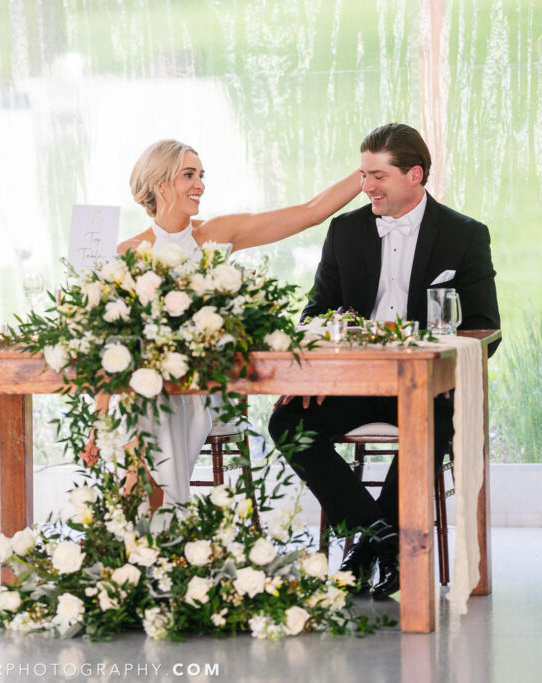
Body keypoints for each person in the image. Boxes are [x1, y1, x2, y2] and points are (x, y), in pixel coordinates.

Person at [268, 123, 500, 599]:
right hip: (354, 382)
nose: (365, 186)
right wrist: (312, 367)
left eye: (377, 175)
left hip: (429, 387)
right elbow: (315, 313)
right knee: (287, 422)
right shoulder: (345, 230)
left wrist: (443, 363)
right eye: (362, 174)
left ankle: (368, 548)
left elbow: (484, 327)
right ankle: (383, 540)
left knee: (429, 426)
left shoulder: (465, 235)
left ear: (414, 175)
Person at [115, 139, 361, 509]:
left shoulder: (216, 234)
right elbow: (115, 342)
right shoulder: (127, 252)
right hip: (152, 386)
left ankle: (146, 530)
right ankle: (158, 525)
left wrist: (372, 171)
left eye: (200, 175)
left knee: (148, 407)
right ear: (160, 183)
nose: (200, 184)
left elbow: (311, 212)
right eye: (188, 175)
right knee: (145, 399)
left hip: (211, 382)